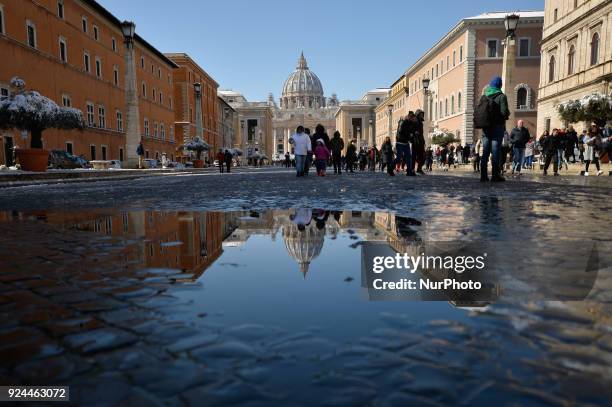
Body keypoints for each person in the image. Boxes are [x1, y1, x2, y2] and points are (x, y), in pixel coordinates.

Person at [479, 76, 510, 182]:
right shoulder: (502, 96)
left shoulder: (484, 96)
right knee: (496, 150)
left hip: (486, 127)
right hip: (497, 127)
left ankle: (483, 175)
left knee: (485, 151)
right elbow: (504, 112)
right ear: (500, 85)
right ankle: (495, 175)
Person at [412, 110, 426, 174]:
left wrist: (423, 141)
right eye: (420, 114)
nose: (422, 115)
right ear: (417, 114)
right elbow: (410, 129)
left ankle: (419, 168)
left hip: (420, 141)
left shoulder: (421, 122)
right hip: (415, 141)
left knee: (422, 156)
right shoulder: (414, 121)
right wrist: (414, 132)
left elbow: (421, 133)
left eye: (422, 114)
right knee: (414, 156)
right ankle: (412, 168)